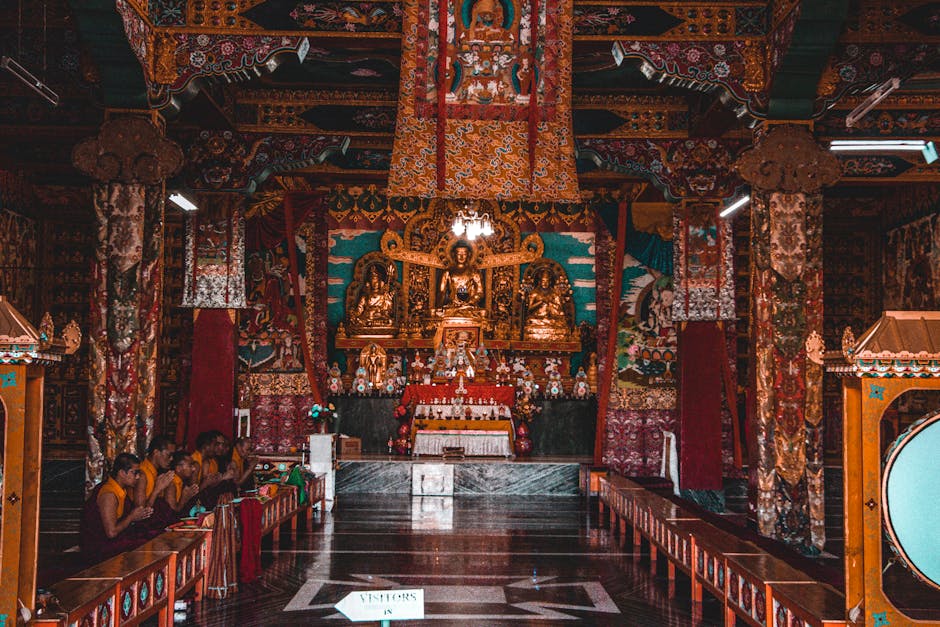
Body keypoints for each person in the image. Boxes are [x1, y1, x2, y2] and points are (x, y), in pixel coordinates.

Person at [80, 453, 154, 559]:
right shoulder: (109, 494)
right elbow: (111, 532)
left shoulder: (120, 489)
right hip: (100, 548)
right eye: (135, 473)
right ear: (122, 473)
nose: (138, 477)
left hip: (112, 542)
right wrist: (131, 517)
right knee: (144, 547)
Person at [523, 269, 571, 340]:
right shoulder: (534, 293)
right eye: (543, 281)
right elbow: (529, 309)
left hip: (551, 319)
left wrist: (551, 304)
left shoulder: (554, 294)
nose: (545, 283)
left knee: (562, 322)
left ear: (550, 282)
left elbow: (560, 310)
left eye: (547, 281)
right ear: (539, 282)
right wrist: (541, 302)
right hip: (537, 319)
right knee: (530, 321)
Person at [438, 243, 484, 313]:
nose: (461, 257)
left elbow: (480, 292)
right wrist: (439, 306)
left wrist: (470, 301)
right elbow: (442, 292)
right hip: (452, 306)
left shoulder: (474, 272)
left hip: (469, 307)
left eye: (464, 254)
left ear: (468, 255)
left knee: (483, 312)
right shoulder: (448, 272)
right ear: (453, 255)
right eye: (459, 254)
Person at [134, 435, 177, 509]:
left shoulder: (156, 472)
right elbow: (140, 512)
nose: (171, 459)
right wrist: (157, 490)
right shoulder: (142, 474)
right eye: (169, 455)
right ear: (156, 452)